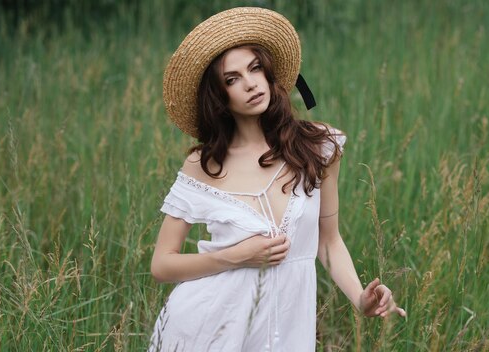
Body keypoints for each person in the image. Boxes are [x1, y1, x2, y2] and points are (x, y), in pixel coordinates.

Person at [149, 7, 406, 352]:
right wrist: (236, 256)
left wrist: (360, 298)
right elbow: (162, 263)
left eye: (255, 68)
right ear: (220, 97)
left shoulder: (318, 146)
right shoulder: (203, 164)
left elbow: (328, 242)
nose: (250, 83)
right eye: (232, 79)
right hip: (208, 328)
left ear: (269, 73)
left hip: (288, 326)